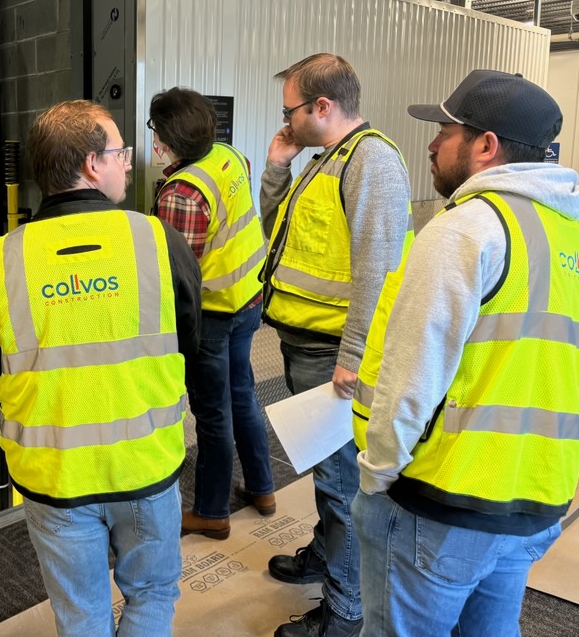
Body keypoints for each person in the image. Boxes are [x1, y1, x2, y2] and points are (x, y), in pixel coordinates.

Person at [351, 70, 579, 637]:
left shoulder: (468, 229)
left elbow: (411, 377)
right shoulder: (568, 234)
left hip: (443, 501)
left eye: (446, 130)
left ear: (485, 146)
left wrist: (377, 476)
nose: (431, 144)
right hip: (536, 500)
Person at [0, 100, 202, 636]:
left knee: (80, 615)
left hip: (54, 473)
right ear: (92, 164)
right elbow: (189, 342)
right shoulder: (156, 240)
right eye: (120, 152)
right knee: (152, 593)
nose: (128, 162)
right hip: (143, 466)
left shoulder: (1, 260)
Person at [259, 53, 412, 637]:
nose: (286, 121)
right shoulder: (328, 160)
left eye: (290, 111)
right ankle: (326, 556)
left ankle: (346, 612)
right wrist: (277, 166)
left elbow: (377, 269)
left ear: (322, 107)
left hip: (332, 355)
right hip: (305, 345)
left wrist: (352, 359)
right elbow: (276, 233)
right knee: (326, 470)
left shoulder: (371, 160)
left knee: (340, 482)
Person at [148, 87, 274, 539]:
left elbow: (180, 274)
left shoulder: (182, 192)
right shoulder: (228, 155)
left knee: (214, 412)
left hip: (215, 314)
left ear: (167, 137)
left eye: (155, 131)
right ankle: (262, 487)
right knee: (242, 394)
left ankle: (212, 510)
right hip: (248, 299)